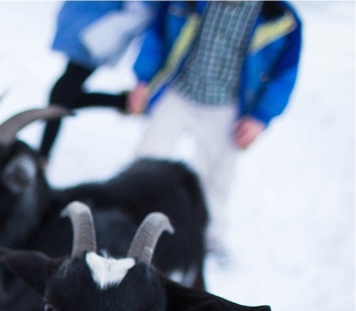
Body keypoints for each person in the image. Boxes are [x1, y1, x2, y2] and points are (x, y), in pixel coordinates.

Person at [127, 1, 302, 257]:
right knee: (147, 162)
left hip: (226, 108)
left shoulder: (281, 17)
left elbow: (285, 74)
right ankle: (131, 222)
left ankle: (210, 238)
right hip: (177, 94)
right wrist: (143, 80)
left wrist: (260, 117)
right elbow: (156, 34)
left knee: (217, 178)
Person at [39, 1, 155, 163]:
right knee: (64, 96)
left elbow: (141, 11)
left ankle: (42, 158)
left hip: (96, 34)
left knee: (60, 95)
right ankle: (123, 102)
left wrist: (105, 34)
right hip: (81, 26)